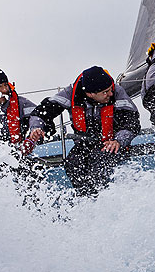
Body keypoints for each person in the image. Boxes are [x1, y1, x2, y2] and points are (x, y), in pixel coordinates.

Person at [28, 66, 141, 196]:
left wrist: (119, 141)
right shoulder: (71, 93)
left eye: (110, 90)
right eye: (105, 92)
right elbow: (42, 111)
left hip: (111, 144)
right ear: (90, 94)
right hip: (84, 144)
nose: (110, 94)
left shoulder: (117, 92)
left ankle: (101, 199)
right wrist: (37, 127)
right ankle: (85, 200)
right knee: (72, 163)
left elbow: (132, 122)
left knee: (100, 161)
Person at [0, 66, 38, 155]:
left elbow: (39, 116)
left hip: (16, 157)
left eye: (6, 85)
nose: (5, 90)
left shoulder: (21, 104)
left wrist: (32, 139)